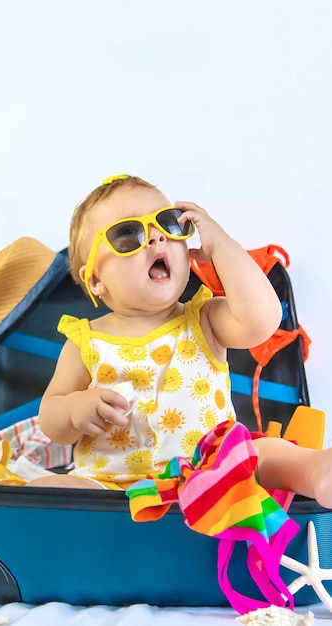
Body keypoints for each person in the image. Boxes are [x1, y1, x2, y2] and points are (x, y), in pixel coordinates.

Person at [29, 174, 332, 509]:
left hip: (213, 471)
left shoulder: (204, 318)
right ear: (96, 280)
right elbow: (51, 420)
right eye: (127, 235)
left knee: (261, 452)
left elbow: (262, 321)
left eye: (169, 224)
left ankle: (317, 468)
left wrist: (222, 247)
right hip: (111, 488)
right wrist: (73, 409)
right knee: (46, 487)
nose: (157, 238)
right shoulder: (85, 342)